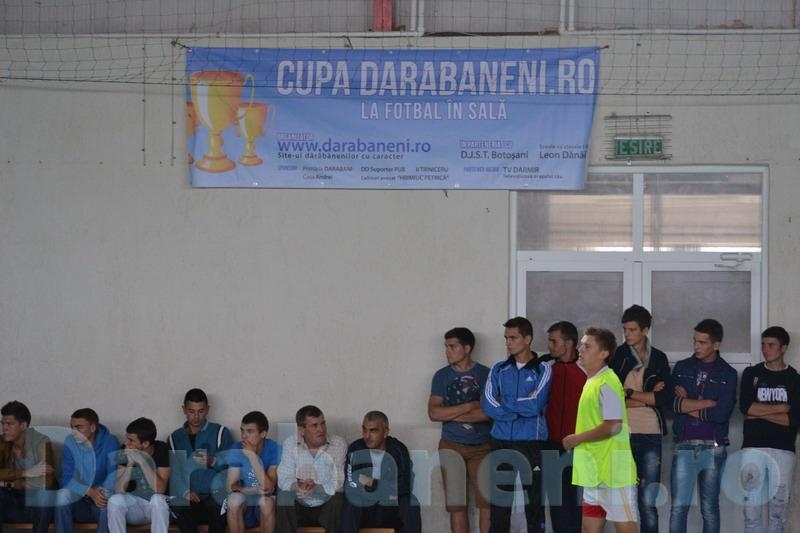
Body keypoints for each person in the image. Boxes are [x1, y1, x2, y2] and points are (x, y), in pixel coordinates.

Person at [563, 327, 638, 533]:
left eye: (587, 346)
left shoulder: (608, 381)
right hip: (593, 473)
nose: (580, 349)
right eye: (581, 345)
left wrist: (577, 438)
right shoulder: (592, 381)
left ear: (604, 353)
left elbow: (613, 425)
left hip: (613, 474)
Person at [481, 316, 552, 533]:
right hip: (501, 441)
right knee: (500, 505)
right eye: (506, 338)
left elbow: (536, 405)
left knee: (534, 505)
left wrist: (506, 403)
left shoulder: (543, 368)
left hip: (532, 443)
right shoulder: (498, 369)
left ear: (527, 339)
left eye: (513, 338)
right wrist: (521, 407)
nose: (508, 343)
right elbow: (488, 405)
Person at [668, 319, 737, 533]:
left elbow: (722, 413)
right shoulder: (682, 368)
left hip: (713, 446)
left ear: (716, 345)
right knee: (678, 507)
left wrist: (686, 403)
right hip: (684, 444)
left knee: (709, 508)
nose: (696, 346)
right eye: (695, 341)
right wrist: (707, 403)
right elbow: (673, 405)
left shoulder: (728, 373)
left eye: (702, 342)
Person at [608, 305, 670, 533]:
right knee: (623, 499)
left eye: (632, 330)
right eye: (625, 329)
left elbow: (663, 399)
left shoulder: (659, 358)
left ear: (645, 330)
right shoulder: (618, 356)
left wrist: (630, 393)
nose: (627, 334)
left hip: (651, 432)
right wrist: (646, 398)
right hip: (623, 433)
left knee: (648, 500)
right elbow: (612, 399)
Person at [428, 327, 491, 533]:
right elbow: (434, 413)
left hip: (482, 446)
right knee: (456, 506)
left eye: (452, 346)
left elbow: (489, 413)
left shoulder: (485, 374)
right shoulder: (441, 376)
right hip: (451, 446)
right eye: (446, 346)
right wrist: (469, 406)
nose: (447, 351)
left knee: (487, 503)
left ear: (467, 348)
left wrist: (450, 413)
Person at [739, 326, 800, 533]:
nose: (765, 349)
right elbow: (745, 408)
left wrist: (758, 412)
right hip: (752, 448)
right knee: (751, 511)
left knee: (778, 513)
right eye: (763, 345)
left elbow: (793, 419)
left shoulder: (794, 379)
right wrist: (781, 409)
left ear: (784, 348)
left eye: (771, 345)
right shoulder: (752, 373)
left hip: (783, 449)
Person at [540, 321, 586, 533]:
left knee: (579, 504)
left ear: (568, 343)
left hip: (580, 446)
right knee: (556, 505)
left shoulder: (588, 368)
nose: (549, 346)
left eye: (554, 341)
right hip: (551, 445)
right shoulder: (545, 367)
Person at [341, 411, 420, 533]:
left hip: (390, 509)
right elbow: (350, 484)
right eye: (365, 430)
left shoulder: (398, 449)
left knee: (410, 501)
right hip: (365, 509)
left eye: (373, 431)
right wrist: (387, 488)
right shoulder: (356, 449)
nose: (367, 436)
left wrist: (373, 484)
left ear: (385, 432)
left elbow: (405, 485)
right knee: (351, 502)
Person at [168, 388, 234, 533]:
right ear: (184, 410)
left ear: (208, 409)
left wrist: (212, 461)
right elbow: (175, 472)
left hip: (214, 495)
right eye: (191, 411)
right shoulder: (175, 437)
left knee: (219, 507)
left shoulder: (220, 433)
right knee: (178, 506)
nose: (196, 417)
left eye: (201, 411)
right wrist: (186, 491)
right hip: (189, 496)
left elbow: (230, 467)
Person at [276, 405, 346, 533]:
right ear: (301, 430)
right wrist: (298, 485)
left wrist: (317, 487)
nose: (321, 429)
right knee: (284, 497)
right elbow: (284, 478)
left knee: (338, 499)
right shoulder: (290, 443)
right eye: (314, 425)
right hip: (299, 503)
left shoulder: (338, 444)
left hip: (326, 505)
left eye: (323, 423)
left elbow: (339, 482)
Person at [55, 408, 120, 533]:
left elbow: (113, 474)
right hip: (78, 498)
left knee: (107, 503)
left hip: (101, 497)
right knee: (62, 496)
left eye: (79, 427)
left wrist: (100, 494)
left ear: (93, 427)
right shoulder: (70, 441)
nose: (74, 432)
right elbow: (66, 477)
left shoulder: (110, 441)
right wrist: (89, 491)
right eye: (72, 427)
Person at [0, 401, 56, 533]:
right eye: (2, 423)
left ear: (23, 425)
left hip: (37, 503)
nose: (4, 428)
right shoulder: (1, 442)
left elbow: (46, 481)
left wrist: (8, 483)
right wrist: (25, 472)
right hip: (12, 501)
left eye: (10, 424)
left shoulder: (41, 441)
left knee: (44, 491)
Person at [107, 417, 171, 533]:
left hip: (154, 508)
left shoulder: (162, 449)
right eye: (126, 438)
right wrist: (130, 464)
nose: (126, 443)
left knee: (158, 499)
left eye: (131, 440)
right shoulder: (124, 450)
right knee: (114, 500)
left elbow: (160, 489)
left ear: (145, 444)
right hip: (134, 507)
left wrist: (142, 461)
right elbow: (119, 489)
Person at [225, 411, 281, 533]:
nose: (244, 436)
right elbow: (231, 486)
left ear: (263, 434)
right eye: (242, 431)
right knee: (233, 500)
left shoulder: (274, 448)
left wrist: (252, 456)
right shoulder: (237, 448)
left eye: (250, 431)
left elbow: (268, 487)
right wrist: (251, 490)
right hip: (245, 496)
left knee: (266, 503)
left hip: (266, 499)